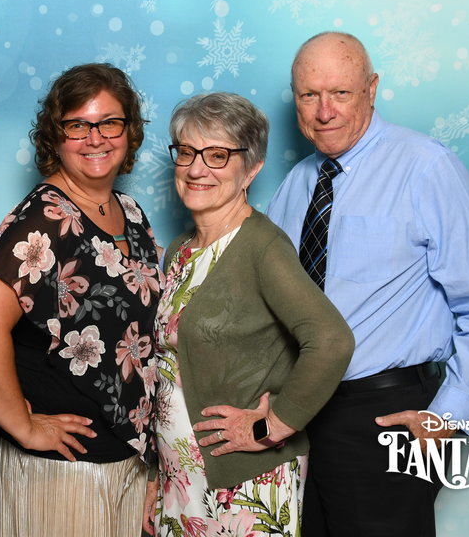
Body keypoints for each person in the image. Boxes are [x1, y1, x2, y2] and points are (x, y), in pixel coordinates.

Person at [267, 32, 469, 536]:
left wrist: (449, 415)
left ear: (372, 88)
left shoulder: (426, 166)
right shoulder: (297, 182)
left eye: (340, 93)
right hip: (300, 414)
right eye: (308, 95)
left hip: (385, 414)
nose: (324, 111)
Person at [0, 63, 162, 537]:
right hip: (64, 472)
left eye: (110, 122)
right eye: (77, 125)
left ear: (129, 131)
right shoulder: (46, 220)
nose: (96, 138)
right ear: (56, 135)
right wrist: (25, 426)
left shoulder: (129, 213)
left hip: (125, 462)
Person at [145, 92, 354, 536]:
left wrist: (273, 424)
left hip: (242, 483)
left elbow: (332, 340)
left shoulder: (262, 246)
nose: (197, 169)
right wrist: (158, 476)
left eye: (218, 155)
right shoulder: (181, 251)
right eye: (186, 152)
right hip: (181, 477)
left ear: (252, 169)